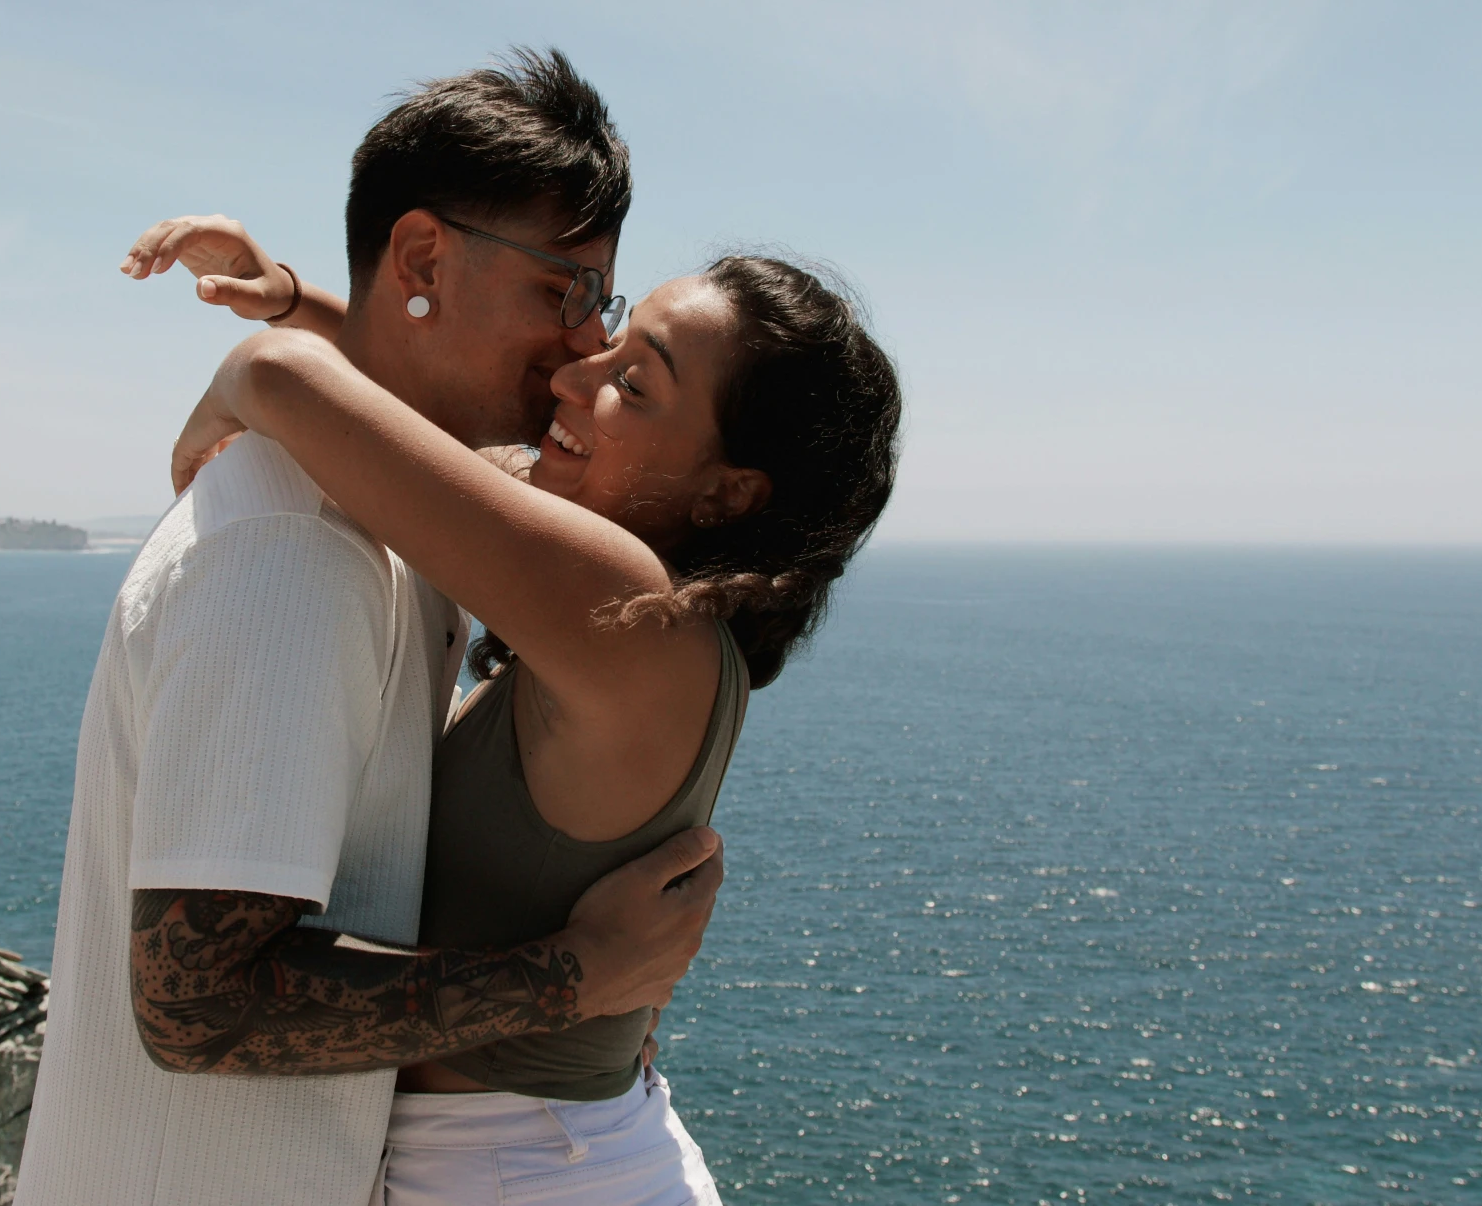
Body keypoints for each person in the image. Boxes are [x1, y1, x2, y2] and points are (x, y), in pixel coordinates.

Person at [14, 50, 728, 1206]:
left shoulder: (412, 505)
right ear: (423, 259)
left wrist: (288, 314)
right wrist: (569, 979)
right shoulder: (296, 557)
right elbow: (196, 1004)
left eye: (600, 297)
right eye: (565, 290)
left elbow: (391, 391)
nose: (584, 343)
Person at [129, 197, 904, 1201]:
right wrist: (293, 299)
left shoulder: (638, 620)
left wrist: (253, 365)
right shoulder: (616, 618)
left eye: (632, 381)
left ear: (728, 491)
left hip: (535, 1170)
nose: (571, 373)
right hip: (537, 1158)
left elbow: (298, 394)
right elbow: (424, 439)